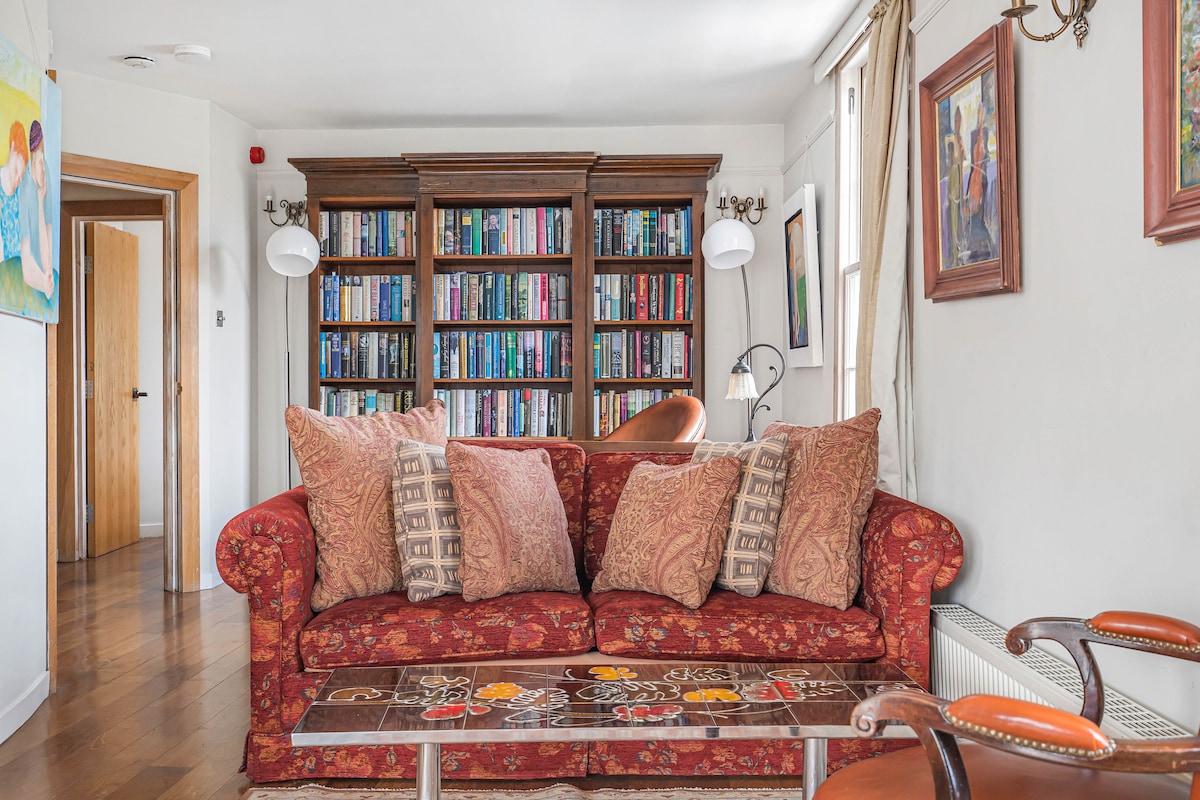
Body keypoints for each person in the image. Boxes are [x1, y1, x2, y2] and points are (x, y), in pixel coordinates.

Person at [20, 119, 54, 298]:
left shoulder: (45, 173)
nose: (42, 170)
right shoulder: (26, 188)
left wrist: (48, 271)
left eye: (43, 163)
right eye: (39, 163)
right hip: (29, 258)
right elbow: (26, 255)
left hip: (41, 260)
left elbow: (48, 227)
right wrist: (43, 281)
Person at [0, 120, 28, 262]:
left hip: (20, 267)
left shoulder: (20, 194)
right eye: (17, 170)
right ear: (12, 148)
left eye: (21, 176)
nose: (18, 179)